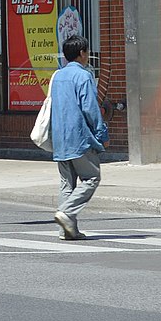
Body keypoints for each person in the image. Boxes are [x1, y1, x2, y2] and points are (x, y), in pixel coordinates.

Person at [51, 35, 108, 241]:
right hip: (79, 136)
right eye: (87, 52)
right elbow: (90, 109)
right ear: (82, 53)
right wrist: (102, 134)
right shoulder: (83, 76)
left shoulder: (58, 76)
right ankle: (67, 213)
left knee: (67, 184)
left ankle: (67, 229)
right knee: (92, 177)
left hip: (60, 137)